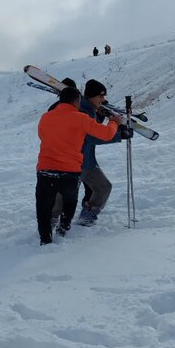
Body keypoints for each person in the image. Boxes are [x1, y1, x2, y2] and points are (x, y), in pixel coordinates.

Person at [35, 87, 121, 245]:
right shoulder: (80, 118)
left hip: (45, 169)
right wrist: (114, 122)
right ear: (76, 101)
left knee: (44, 207)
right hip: (69, 170)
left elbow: (42, 135)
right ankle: (62, 232)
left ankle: (45, 240)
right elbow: (106, 134)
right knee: (68, 204)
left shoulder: (45, 117)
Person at [76, 80, 132, 226]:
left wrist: (108, 122)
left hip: (88, 162)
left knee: (104, 187)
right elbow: (95, 137)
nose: (104, 99)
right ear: (90, 96)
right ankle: (52, 223)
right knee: (63, 197)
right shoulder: (82, 113)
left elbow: (96, 130)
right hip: (75, 163)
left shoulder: (90, 111)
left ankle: (87, 217)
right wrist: (119, 134)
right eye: (101, 96)